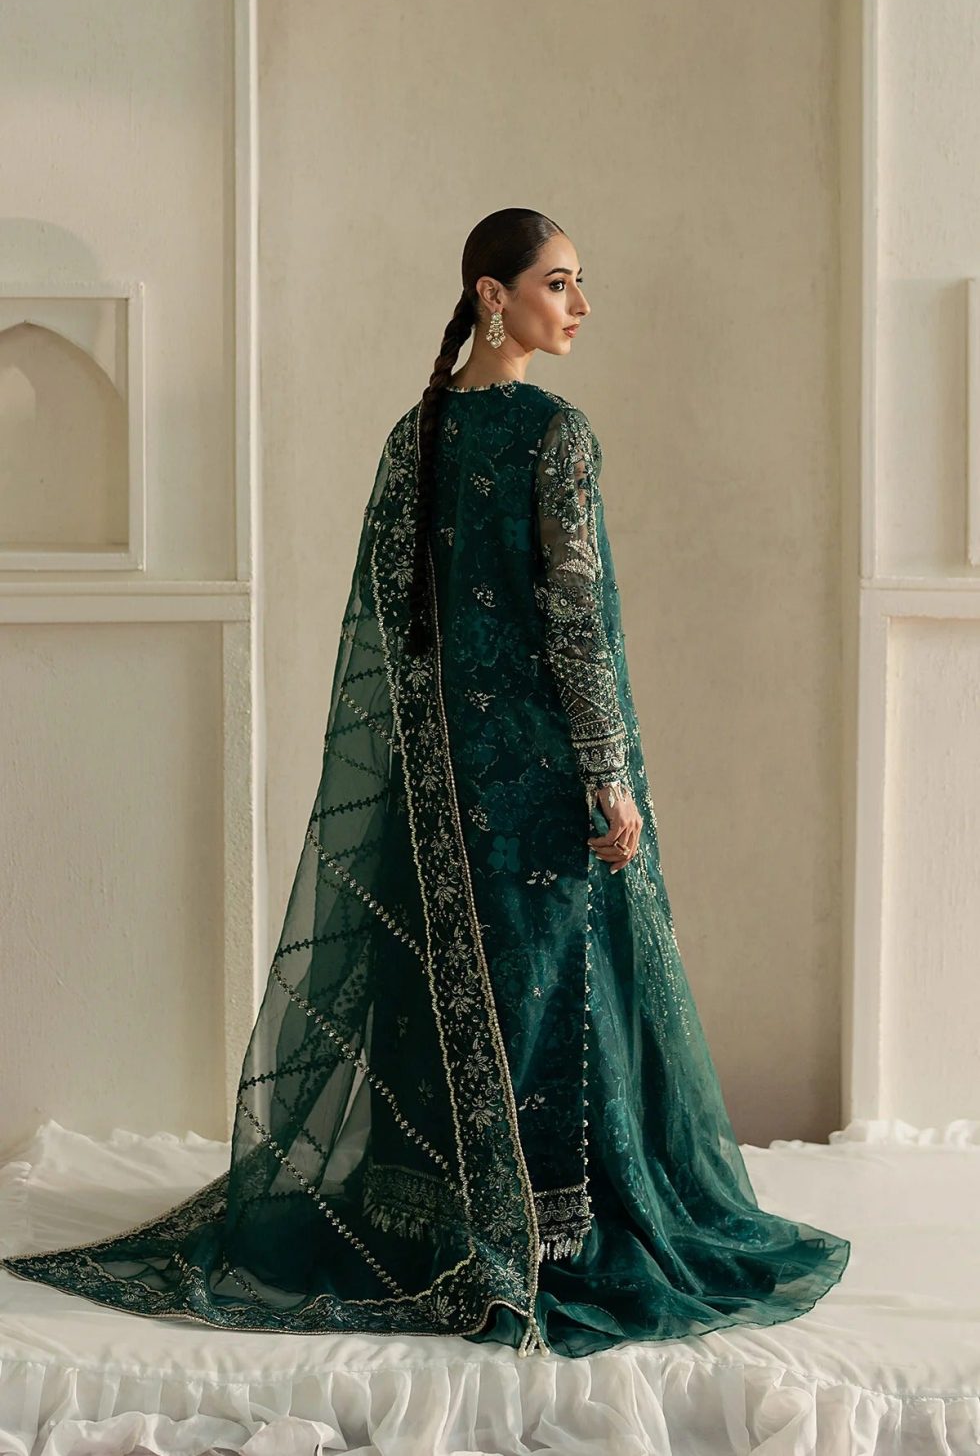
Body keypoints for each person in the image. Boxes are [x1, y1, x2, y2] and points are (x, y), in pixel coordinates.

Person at [0, 208, 850, 1360]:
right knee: (548, 990)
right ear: (493, 296)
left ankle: (444, 1215)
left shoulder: (416, 434)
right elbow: (573, 619)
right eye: (558, 283)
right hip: (538, 776)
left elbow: (394, 633)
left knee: (449, 986)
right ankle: (546, 1230)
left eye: (578, 283)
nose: (579, 307)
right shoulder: (554, 434)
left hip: (439, 779)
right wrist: (607, 775)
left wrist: (435, 766)